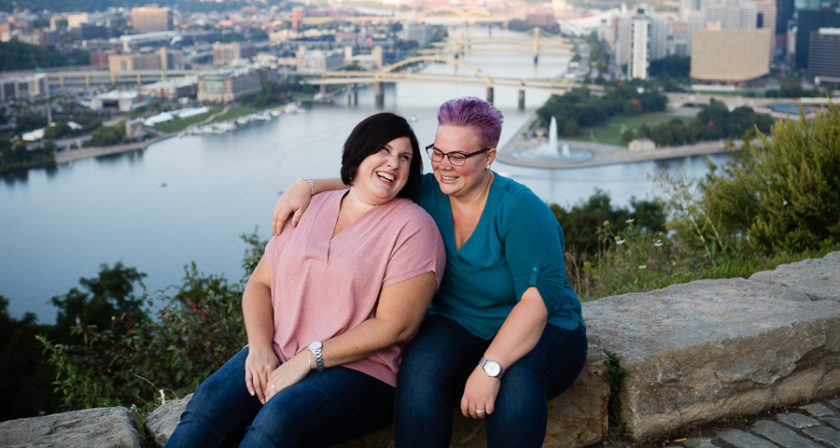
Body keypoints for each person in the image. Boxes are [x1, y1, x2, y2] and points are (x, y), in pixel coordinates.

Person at [272, 97, 587, 448]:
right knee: (419, 375)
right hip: (459, 322)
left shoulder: (522, 210)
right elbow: (367, 182)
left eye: (459, 156)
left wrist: (490, 368)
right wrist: (309, 185)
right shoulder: (425, 193)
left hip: (543, 330)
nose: (444, 166)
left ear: (489, 157)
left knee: (517, 385)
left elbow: (535, 304)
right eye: (438, 152)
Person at [166, 112, 446, 448]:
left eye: (405, 157)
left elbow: (395, 326)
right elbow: (259, 285)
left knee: (275, 422)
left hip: (361, 372)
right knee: (206, 405)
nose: (394, 163)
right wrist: (258, 349)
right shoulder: (309, 206)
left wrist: (307, 359)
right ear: (358, 154)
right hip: (280, 350)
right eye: (382, 151)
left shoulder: (414, 228)